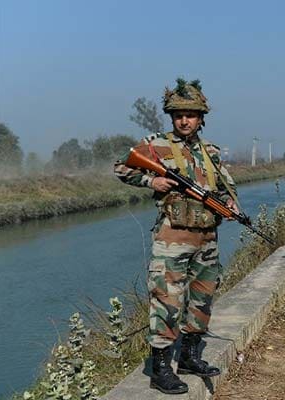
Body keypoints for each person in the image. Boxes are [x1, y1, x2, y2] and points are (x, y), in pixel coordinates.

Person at [114, 78, 238, 394]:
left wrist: (230, 201)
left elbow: (225, 185)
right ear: (172, 117)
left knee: (201, 299)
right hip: (172, 237)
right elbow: (121, 167)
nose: (185, 120)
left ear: (201, 118)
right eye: (179, 114)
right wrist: (150, 182)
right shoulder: (156, 144)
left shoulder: (210, 152)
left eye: (191, 114)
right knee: (167, 300)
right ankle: (160, 370)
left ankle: (189, 358)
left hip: (206, 239)